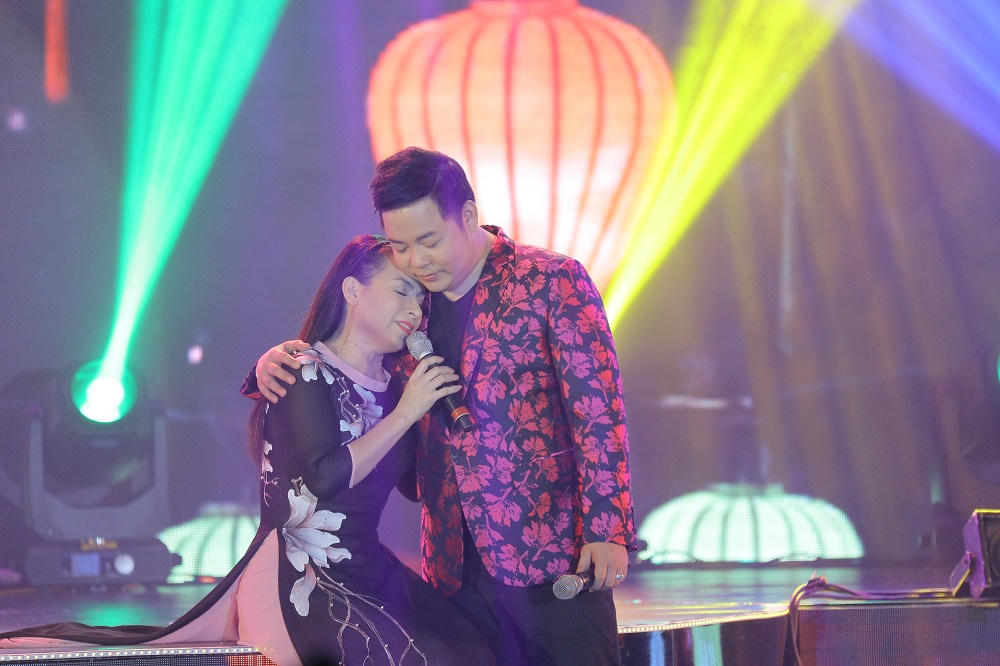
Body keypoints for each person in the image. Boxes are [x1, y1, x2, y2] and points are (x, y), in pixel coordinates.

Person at [1, 235, 495, 666]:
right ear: (352, 290)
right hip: (301, 576)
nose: (415, 310)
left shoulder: (399, 386)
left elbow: (408, 486)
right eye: (402, 290)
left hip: (369, 568)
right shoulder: (302, 369)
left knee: (473, 647)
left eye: (422, 299)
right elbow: (321, 480)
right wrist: (406, 415)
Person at [250, 147, 637, 665]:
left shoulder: (550, 280)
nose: (416, 260)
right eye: (401, 246)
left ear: (468, 216)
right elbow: (348, 362)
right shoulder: (412, 303)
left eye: (429, 241)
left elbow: (598, 414)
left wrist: (607, 530)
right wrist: (273, 361)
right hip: (453, 565)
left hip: (551, 551)